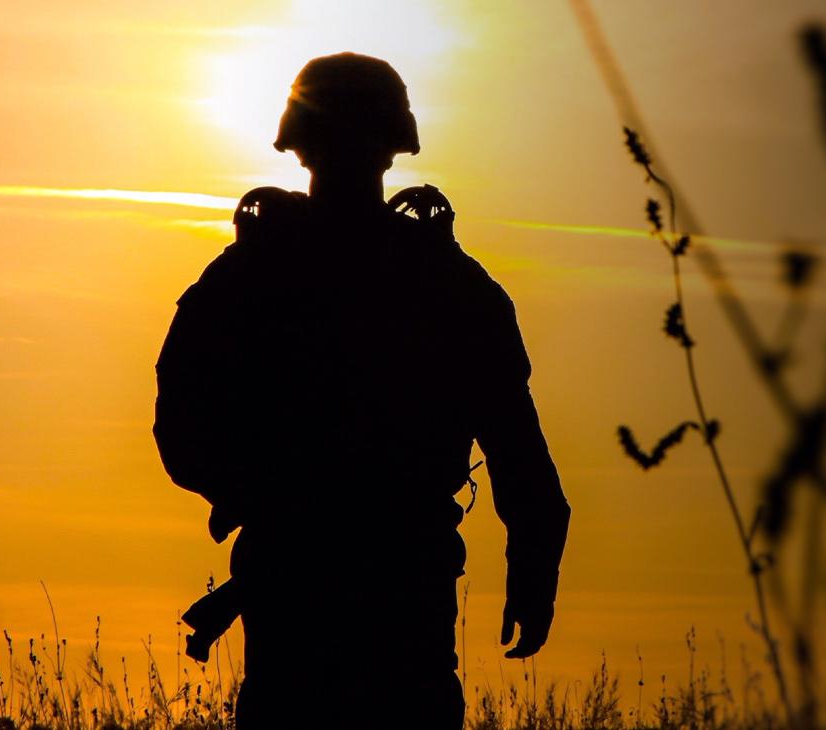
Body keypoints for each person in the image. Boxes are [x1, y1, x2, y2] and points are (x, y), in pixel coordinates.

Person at [153, 52, 569, 728]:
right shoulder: (448, 282)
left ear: (297, 143)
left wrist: (261, 498)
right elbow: (521, 457)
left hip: (308, 583)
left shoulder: (248, 275)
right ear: (395, 142)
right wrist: (532, 568)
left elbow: (179, 424)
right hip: (395, 585)